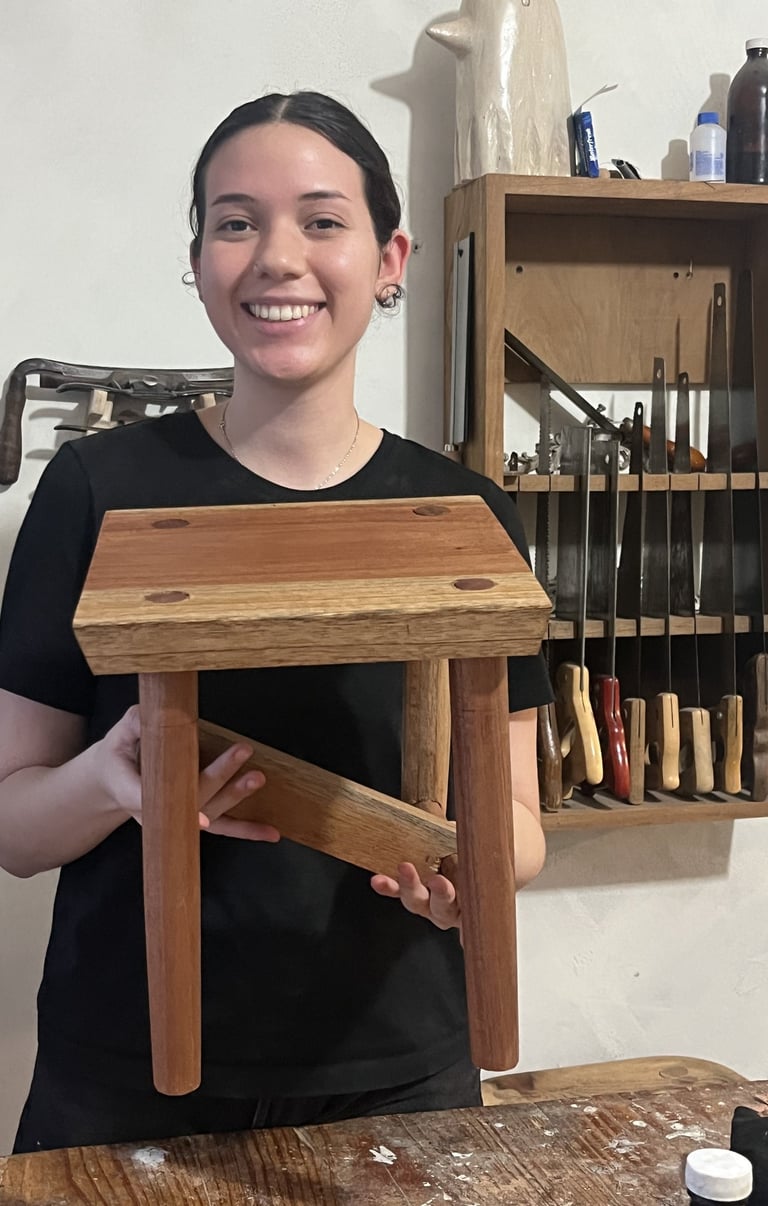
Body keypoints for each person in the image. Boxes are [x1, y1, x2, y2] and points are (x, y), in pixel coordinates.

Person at [0, 91, 551, 1153]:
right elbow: (12, 826)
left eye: (322, 220)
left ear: (390, 259)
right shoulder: (96, 491)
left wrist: (466, 877)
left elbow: (518, 822)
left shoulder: (464, 515)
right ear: (198, 259)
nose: (277, 257)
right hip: (123, 1079)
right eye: (236, 222)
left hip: (400, 1070)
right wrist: (110, 781)